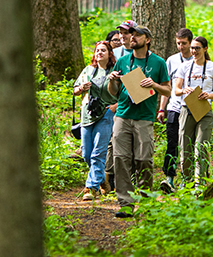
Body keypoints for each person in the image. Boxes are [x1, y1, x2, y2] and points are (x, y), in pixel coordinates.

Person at [107, 25, 170, 218]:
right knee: (120, 158)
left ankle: (147, 201)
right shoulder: (124, 61)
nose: (131, 38)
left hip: (144, 118)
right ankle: (125, 203)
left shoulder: (158, 63)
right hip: (123, 115)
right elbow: (113, 93)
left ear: (147, 39)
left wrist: (154, 85)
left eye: (137, 35)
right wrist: (112, 80)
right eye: (130, 35)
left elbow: (168, 91)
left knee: (143, 159)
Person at [174, 35, 213, 188]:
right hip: (186, 109)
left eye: (197, 48)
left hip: (204, 110)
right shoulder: (184, 67)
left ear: (205, 49)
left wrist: (208, 94)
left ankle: (199, 182)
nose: (194, 51)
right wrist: (184, 90)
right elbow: (176, 90)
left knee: (201, 146)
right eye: (192, 48)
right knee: (185, 146)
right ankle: (186, 180)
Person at [72, 41, 118, 201]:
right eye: (97, 50)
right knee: (86, 154)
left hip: (105, 114)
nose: (99, 53)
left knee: (98, 153)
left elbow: (125, 93)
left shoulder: (114, 71)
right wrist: (81, 88)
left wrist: (115, 106)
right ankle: (102, 178)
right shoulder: (88, 70)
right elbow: (75, 90)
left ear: (109, 53)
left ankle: (90, 188)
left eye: (103, 50)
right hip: (87, 115)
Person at [158, 28, 194, 193]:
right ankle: (169, 178)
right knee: (172, 144)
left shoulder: (199, 60)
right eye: (178, 43)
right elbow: (167, 86)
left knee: (189, 144)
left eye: (184, 43)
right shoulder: (171, 60)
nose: (181, 47)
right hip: (174, 107)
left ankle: (189, 178)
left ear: (190, 43)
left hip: (192, 108)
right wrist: (161, 108)